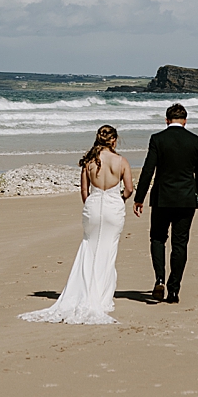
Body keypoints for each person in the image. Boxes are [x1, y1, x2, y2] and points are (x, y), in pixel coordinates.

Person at [20, 124, 133, 324]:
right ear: (114, 140)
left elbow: (84, 191)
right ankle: (102, 296)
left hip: (93, 206)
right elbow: (129, 189)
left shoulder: (89, 162)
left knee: (89, 246)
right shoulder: (121, 161)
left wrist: (91, 203)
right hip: (113, 208)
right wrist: (119, 199)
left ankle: (85, 289)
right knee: (108, 249)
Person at [133, 102, 198, 304]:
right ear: (185, 121)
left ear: (167, 120)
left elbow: (148, 170)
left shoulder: (157, 139)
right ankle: (174, 289)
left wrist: (139, 198)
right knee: (180, 243)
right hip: (186, 199)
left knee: (157, 238)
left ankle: (159, 279)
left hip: (161, 199)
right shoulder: (195, 140)